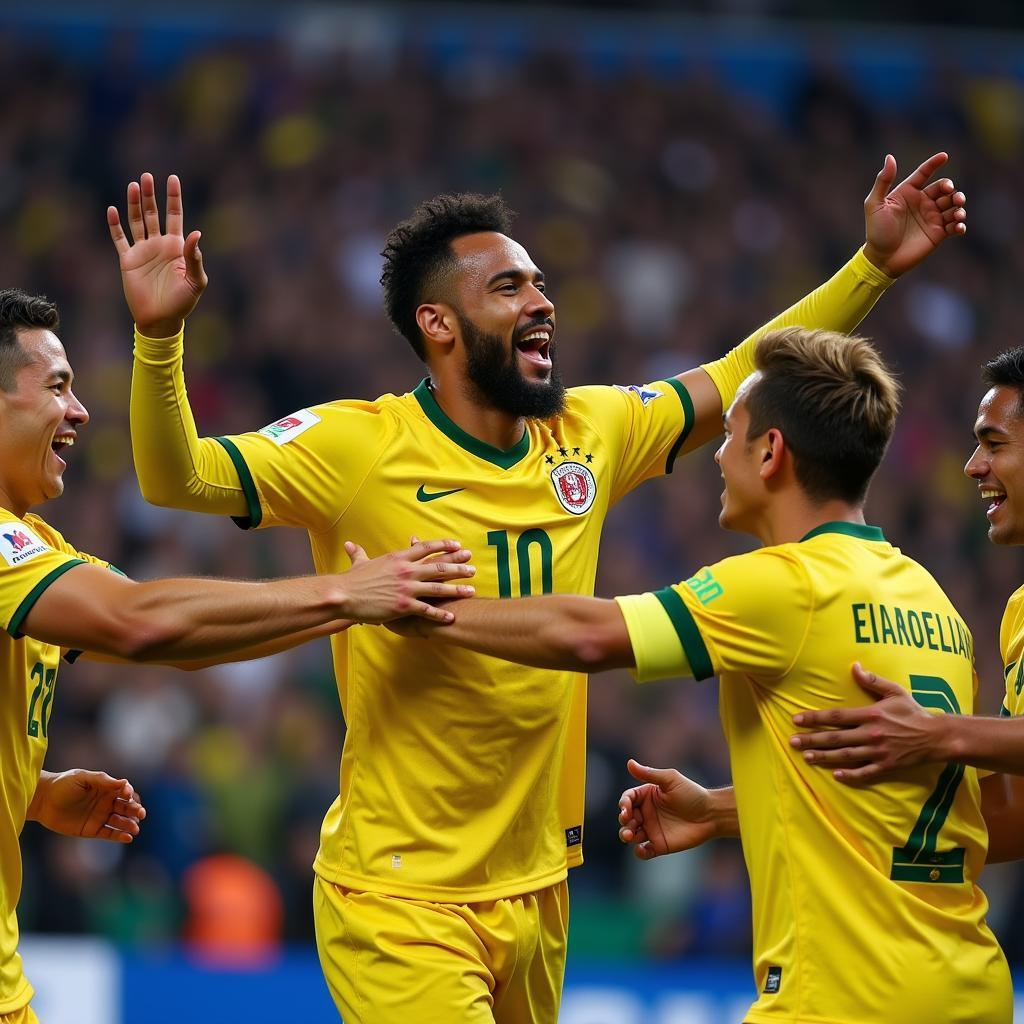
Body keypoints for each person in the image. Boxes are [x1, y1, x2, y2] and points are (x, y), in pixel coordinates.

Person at [112, 154, 966, 1023]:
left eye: (541, 283)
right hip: (402, 894)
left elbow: (746, 369)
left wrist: (873, 268)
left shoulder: (589, 430)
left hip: (539, 885)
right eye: (511, 287)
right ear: (439, 323)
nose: (542, 302)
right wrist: (158, 339)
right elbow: (178, 477)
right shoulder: (357, 447)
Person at [394, 327, 1011, 1023]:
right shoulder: (935, 606)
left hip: (844, 998)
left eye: (732, 434)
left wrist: (426, 608)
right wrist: (723, 810)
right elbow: (920, 809)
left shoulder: (786, 584)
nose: (716, 453)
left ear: (772, 452)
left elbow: (590, 635)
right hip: (969, 986)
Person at [0, 289, 476, 1023]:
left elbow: (184, 644)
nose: (81, 410)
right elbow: (140, 623)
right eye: (57, 386)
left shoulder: (39, 549)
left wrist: (27, 791)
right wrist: (343, 595)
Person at [784, 345, 1024, 862]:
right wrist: (727, 812)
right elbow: (1009, 814)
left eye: (994, 443)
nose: (972, 466)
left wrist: (936, 733)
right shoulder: (1019, 612)